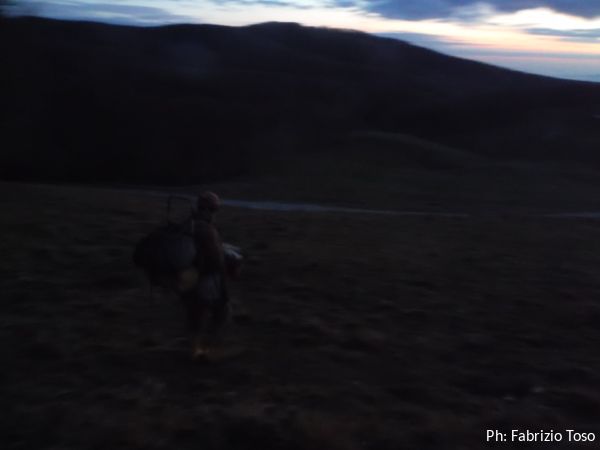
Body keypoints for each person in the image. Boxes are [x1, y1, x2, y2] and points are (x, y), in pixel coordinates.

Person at [180, 191, 231, 360]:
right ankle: (205, 350)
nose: (214, 214)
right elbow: (215, 260)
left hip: (187, 277)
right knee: (220, 312)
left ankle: (193, 349)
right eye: (214, 210)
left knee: (195, 314)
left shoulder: (188, 224)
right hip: (206, 278)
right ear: (210, 209)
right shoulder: (206, 229)